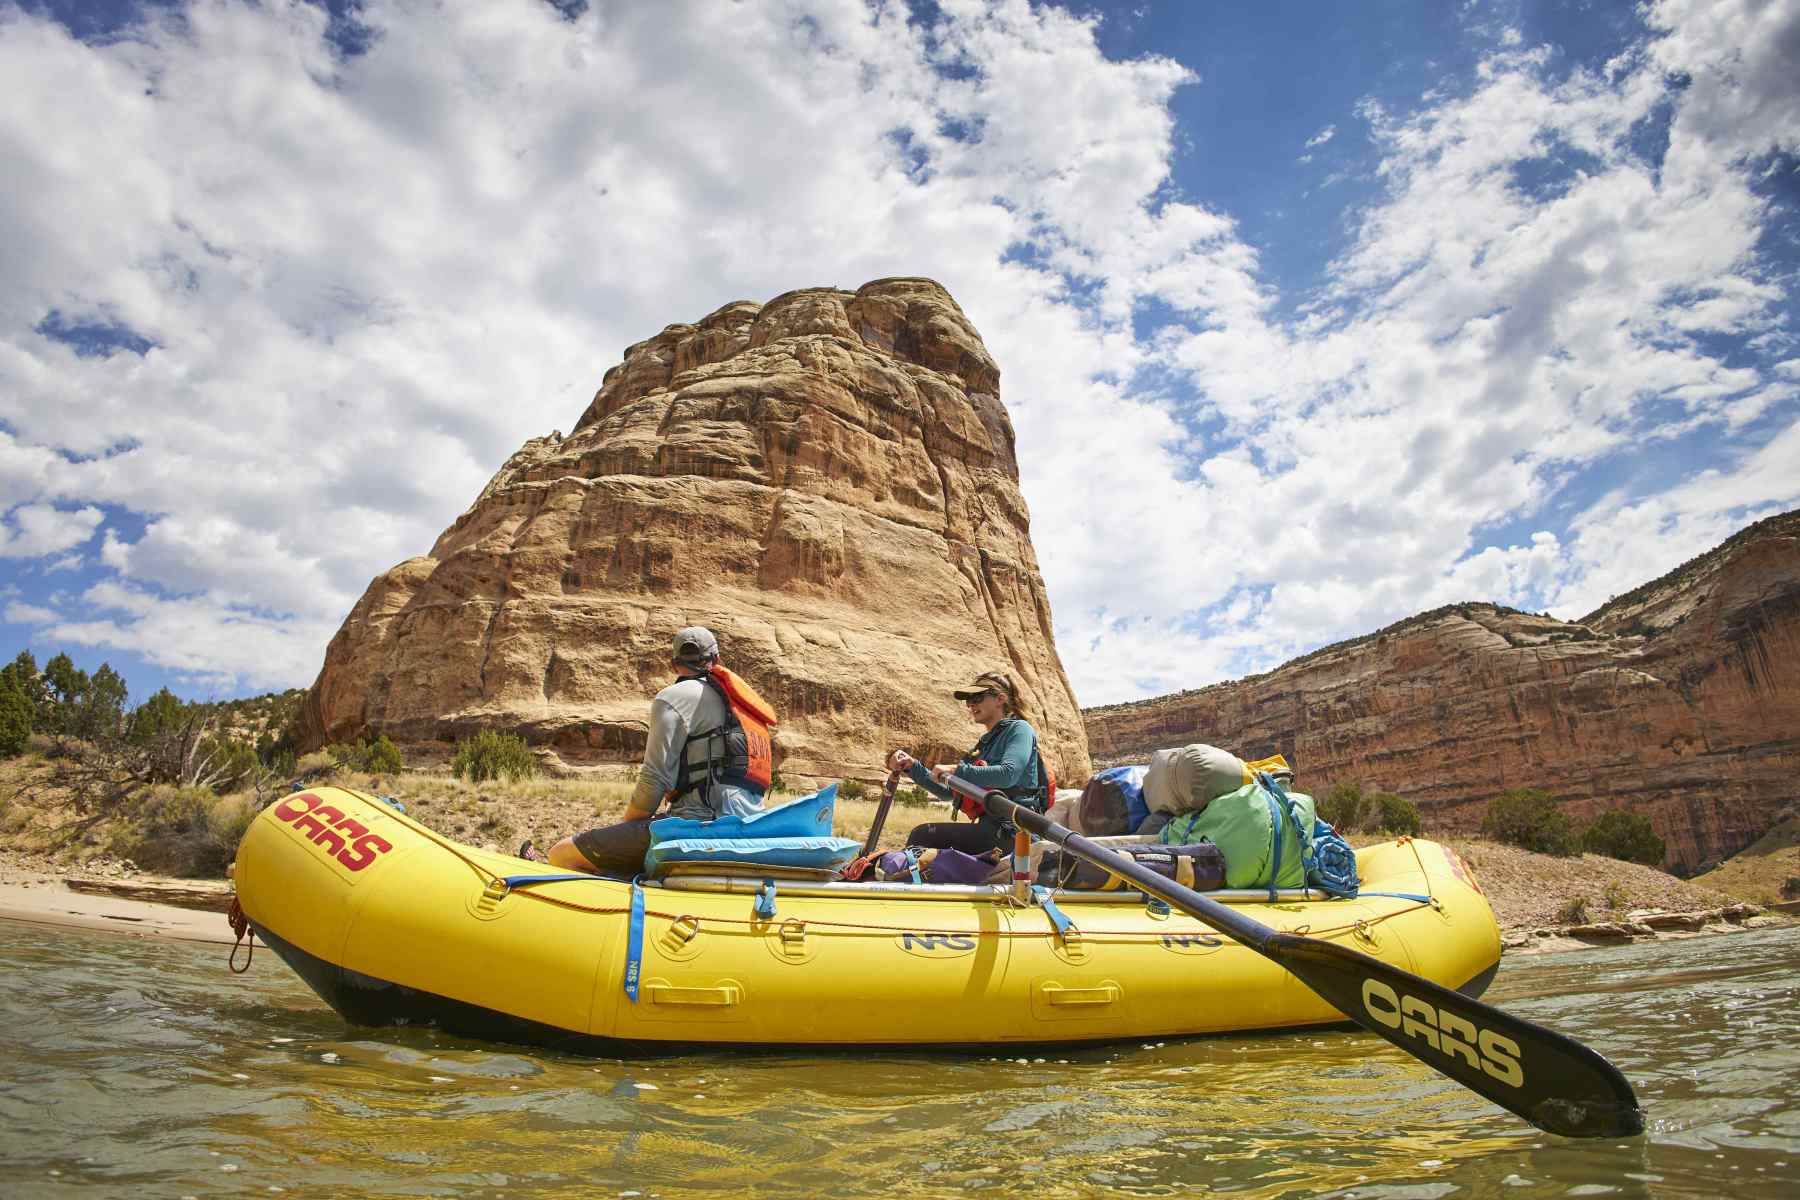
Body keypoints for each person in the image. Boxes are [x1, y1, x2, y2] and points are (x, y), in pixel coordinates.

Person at [521, 626, 776, 877]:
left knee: (562, 854)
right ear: (717, 660)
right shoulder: (744, 710)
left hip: (698, 825)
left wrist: (625, 825)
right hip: (748, 826)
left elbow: (654, 781)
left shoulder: (673, 698)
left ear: (674, 664)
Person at [887, 669, 1049, 857]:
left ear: (1000, 699)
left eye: (978, 698)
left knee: (923, 835)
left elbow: (1008, 774)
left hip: (1014, 832)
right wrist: (912, 767)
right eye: (968, 700)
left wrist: (957, 769)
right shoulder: (983, 746)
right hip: (990, 830)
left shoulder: (1019, 729)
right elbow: (948, 792)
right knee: (926, 840)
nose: (971, 705)